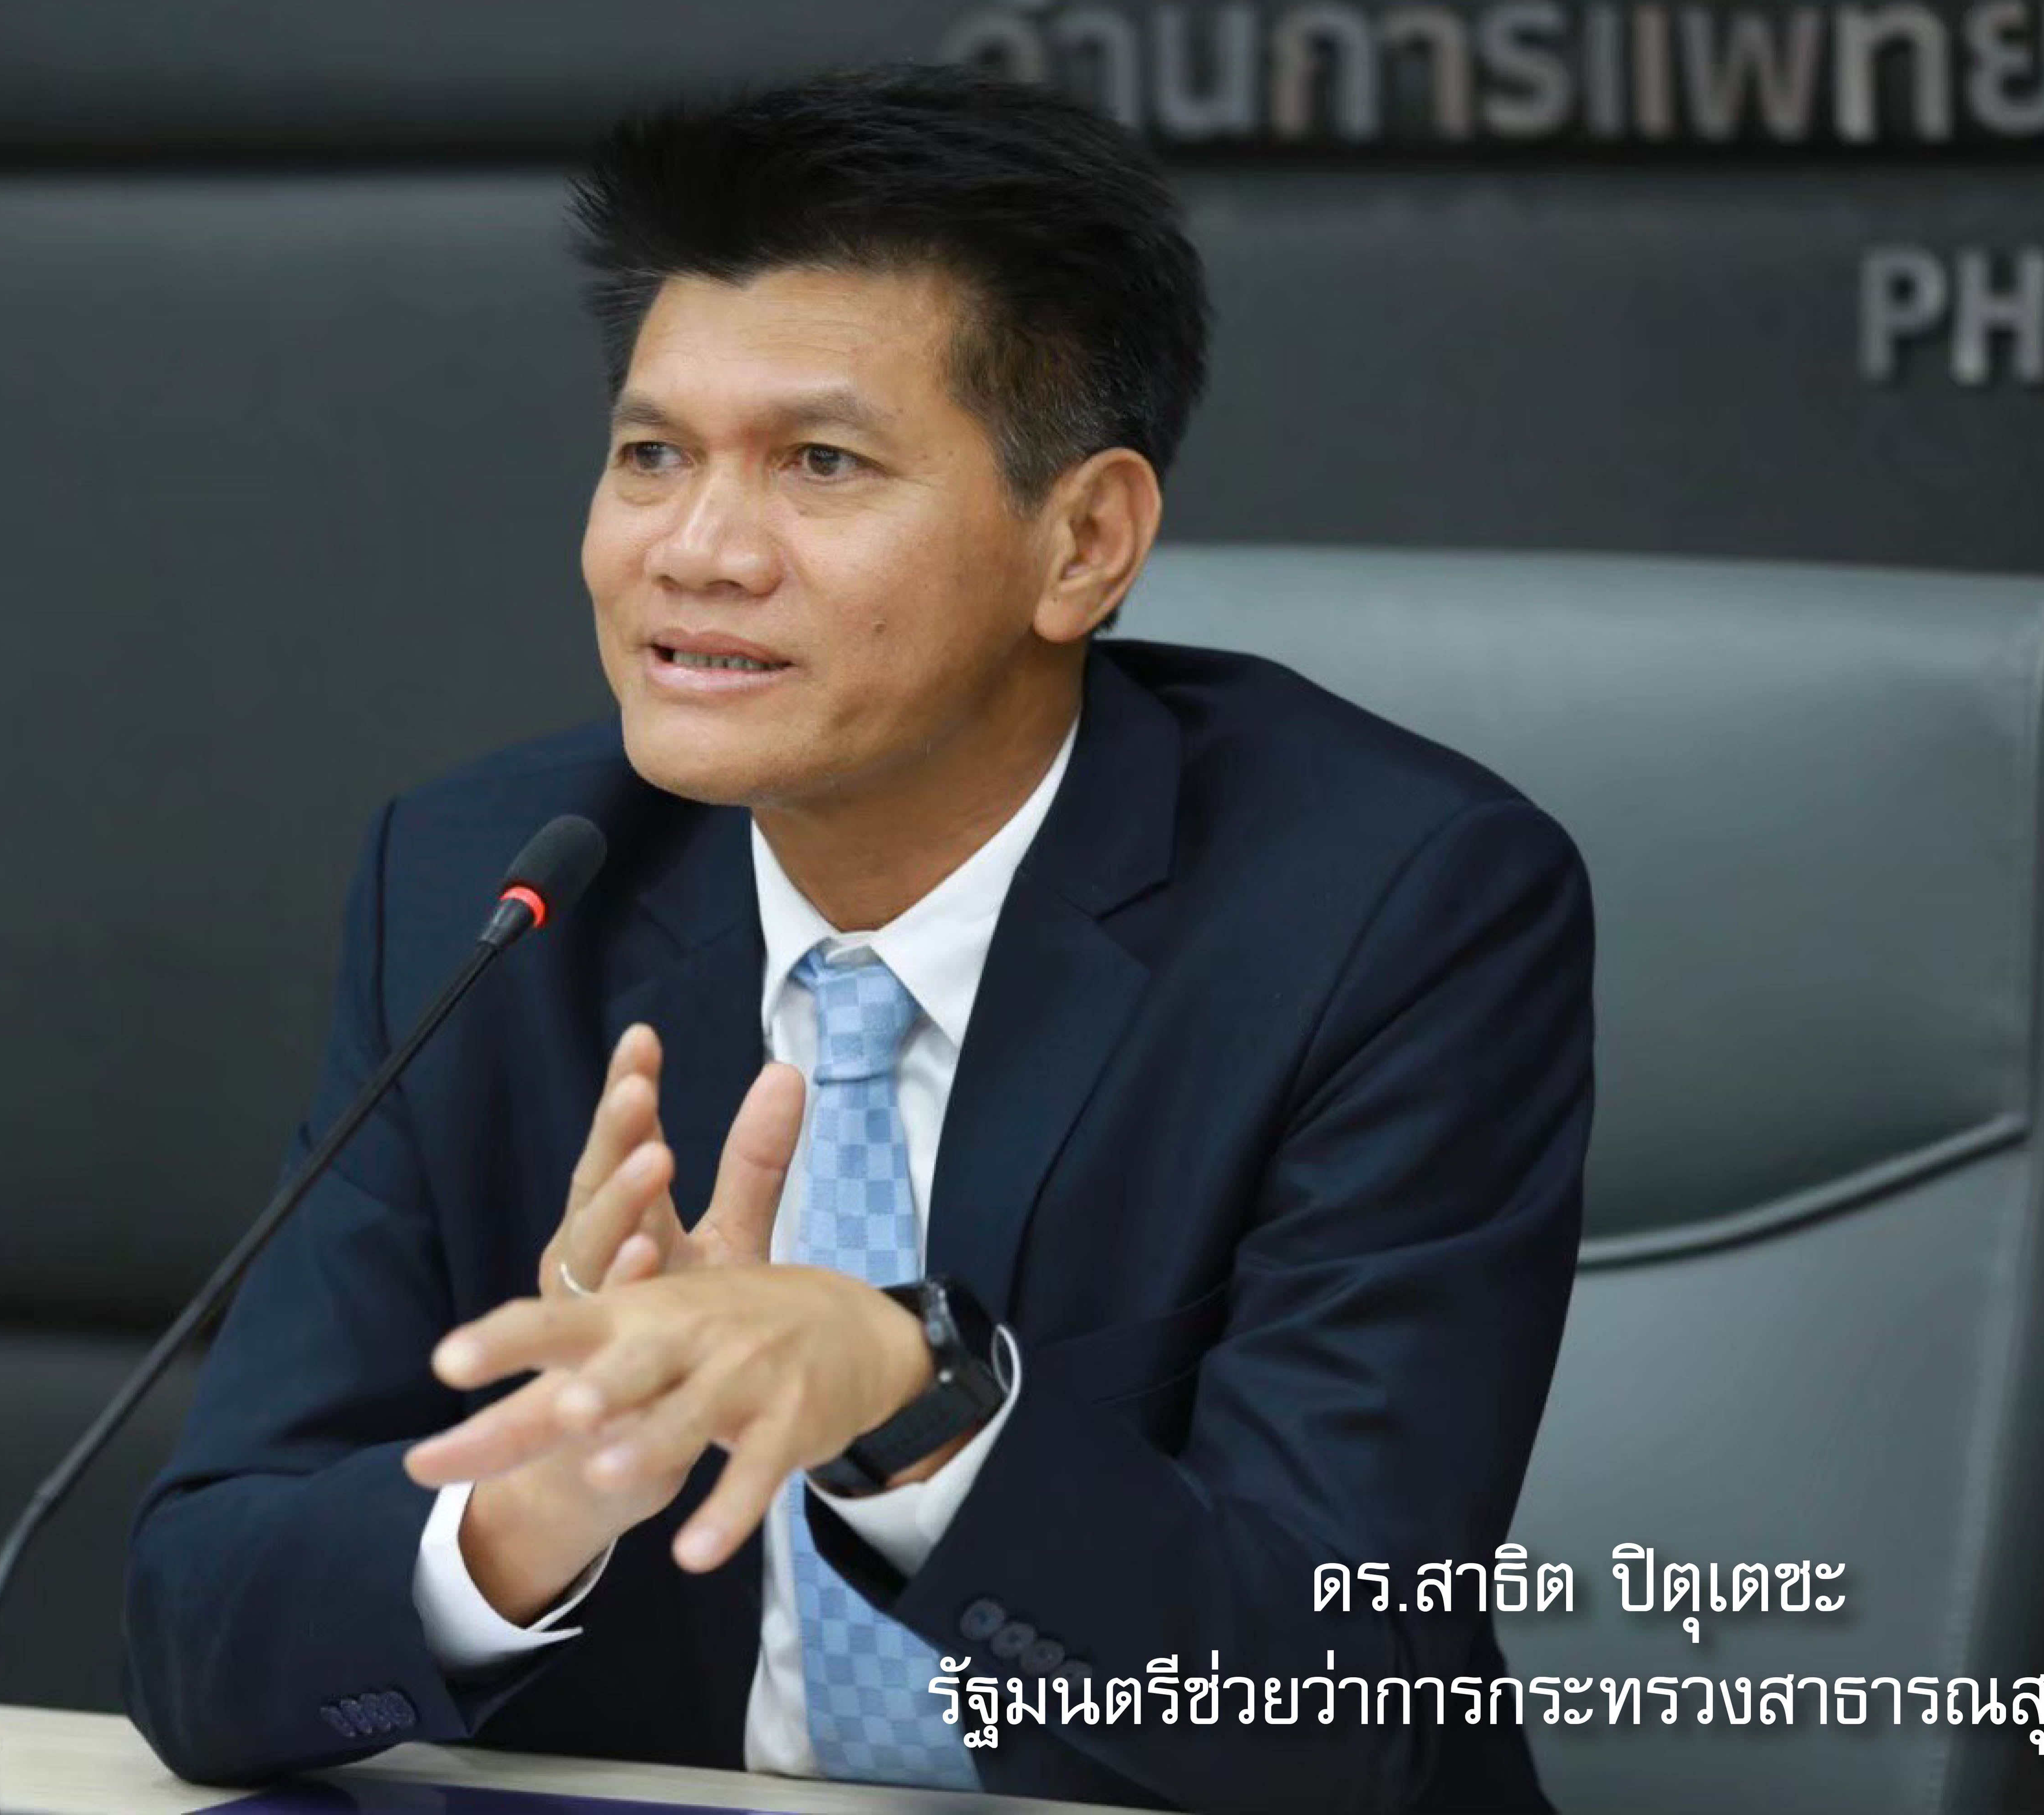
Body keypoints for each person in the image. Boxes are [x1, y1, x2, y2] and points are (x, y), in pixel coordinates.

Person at [122, 61, 1592, 1814]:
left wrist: (911, 1409)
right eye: (653, 456)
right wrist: (545, 1495)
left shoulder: (1394, 910)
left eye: (820, 463)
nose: (697, 552)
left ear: (1084, 542)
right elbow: (195, 1635)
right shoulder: (493, 892)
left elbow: (1329, 1703)